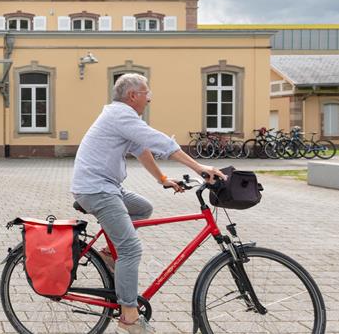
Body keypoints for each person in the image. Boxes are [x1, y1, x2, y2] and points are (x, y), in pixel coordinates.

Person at [71, 73, 226, 334]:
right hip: (97, 190)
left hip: (107, 187)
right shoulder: (120, 115)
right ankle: (129, 316)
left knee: (143, 208)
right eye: (147, 93)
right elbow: (160, 141)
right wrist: (200, 168)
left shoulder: (122, 117)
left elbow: (142, 149)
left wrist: (163, 179)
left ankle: (109, 255)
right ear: (133, 95)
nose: (149, 98)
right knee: (131, 248)